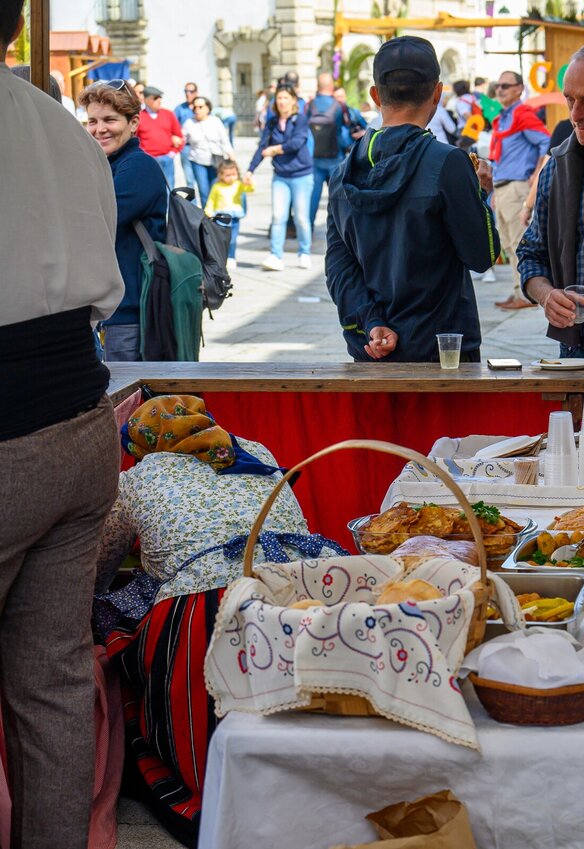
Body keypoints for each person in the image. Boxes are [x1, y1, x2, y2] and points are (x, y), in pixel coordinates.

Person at [95, 395, 346, 847]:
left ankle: (204, 758)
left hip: (210, 609)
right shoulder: (254, 451)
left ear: (140, 445)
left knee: (115, 620)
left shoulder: (137, 478)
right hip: (304, 590)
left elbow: (100, 569)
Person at [0, 2, 124, 847]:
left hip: (11, 434)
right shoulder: (61, 124)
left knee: (52, 680)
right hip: (81, 424)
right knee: (52, 682)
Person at [325, 35, 500, 363]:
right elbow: (482, 255)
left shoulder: (342, 173)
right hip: (442, 352)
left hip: (373, 350)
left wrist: (372, 322)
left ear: (375, 95)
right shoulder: (448, 162)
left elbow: (339, 268)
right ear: (437, 93)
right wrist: (480, 194)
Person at [517, 42, 584, 359]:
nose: (575, 115)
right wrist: (547, 295)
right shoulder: (557, 168)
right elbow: (531, 254)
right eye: (570, 99)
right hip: (579, 352)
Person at [79, 80, 167, 362]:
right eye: (92, 121)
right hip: (108, 313)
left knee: (123, 389)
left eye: (110, 120)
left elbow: (92, 220)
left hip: (129, 316)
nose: (99, 129)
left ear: (134, 123)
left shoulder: (139, 166)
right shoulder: (106, 165)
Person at [489, 70, 550, 310]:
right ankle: (518, 291)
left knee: (518, 244)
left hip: (516, 186)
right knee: (507, 243)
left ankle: (525, 295)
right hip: (503, 186)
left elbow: (546, 141)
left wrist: (536, 173)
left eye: (505, 85)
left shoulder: (522, 113)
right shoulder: (505, 116)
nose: (500, 89)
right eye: (498, 85)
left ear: (519, 88)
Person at [245, 82, 314, 271]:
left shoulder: (300, 119)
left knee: (301, 218)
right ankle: (275, 256)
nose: (282, 101)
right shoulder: (272, 122)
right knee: (278, 216)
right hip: (280, 176)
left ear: (293, 100)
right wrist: (250, 170)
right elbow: (262, 147)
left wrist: (275, 150)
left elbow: (298, 142)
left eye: (286, 98)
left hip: (301, 175)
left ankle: (304, 252)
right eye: (279, 98)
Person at [307, 72, 345, 226]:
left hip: (314, 158)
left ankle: (308, 229)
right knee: (338, 199)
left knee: (312, 197)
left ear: (318, 86)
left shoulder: (310, 105)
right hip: (335, 158)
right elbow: (342, 131)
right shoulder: (338, 106)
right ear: (332, 87)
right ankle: (339, 230)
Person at [183, 95, 234, 207]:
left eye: (200, 107)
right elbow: (181, 139)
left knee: (216, 189)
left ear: (207, 108)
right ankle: (207, 216)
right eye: (195, 107)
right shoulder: (189, 123)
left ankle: (218, 213)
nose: (197, 110)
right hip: (198, 160)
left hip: (216, 161)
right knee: (204, 191)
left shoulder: (215, 121)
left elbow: (225, 141)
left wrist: (231, 156)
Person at [204, 158, 254, 270]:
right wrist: (208, 212)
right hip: (220, 217)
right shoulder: (217, 186)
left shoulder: (238, 184)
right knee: (221, 239)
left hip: (234, 217)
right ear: (220, 175)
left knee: (233, 239)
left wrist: (249, 182)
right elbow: (211, 200)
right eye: (227, 175)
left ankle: (231, 257)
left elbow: (249, 189)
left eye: (234, 174)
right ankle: (221, 258)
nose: (231, 177)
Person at [137, 85, 184, 188]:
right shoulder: (139, 117)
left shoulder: (169, 114)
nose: (159, 100)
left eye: (160, 97)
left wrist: (172, 153)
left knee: (169, 188)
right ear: (145, 100)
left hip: (167, 159)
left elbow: (179, 137)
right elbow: (134, 140)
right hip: (148, 160)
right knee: (150, 188)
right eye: (155, 98)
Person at [174, 80, 198, 187]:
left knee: (202, 178)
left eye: (191, 91)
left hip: (200, 147)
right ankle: (192, 198)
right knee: (189, 179)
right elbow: (173, 126)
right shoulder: (180, 109)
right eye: (186, 91)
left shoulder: (201, 106)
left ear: (196, 92)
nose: (188, 94)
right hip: (186, 147)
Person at [333, 86, 367, 151]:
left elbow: (366, 128)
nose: (340, 100)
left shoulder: (354, 112)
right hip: (337, 152)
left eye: (341, 96)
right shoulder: (330, 115)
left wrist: (361, 133)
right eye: (337, 97)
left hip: (353, 150)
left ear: (345, 96)